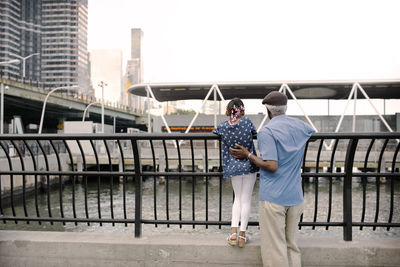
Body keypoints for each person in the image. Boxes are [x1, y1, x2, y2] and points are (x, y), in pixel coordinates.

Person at [230, 91, 315, 266]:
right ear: (285, 108)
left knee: (274, 250)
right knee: (292, 245)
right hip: (295, 197)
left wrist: (248, 155)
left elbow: (271, 165)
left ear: (268, 111)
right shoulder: (301, 126)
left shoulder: (267, 132)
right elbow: (311, 134)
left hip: (273, 199)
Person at [212, 97, 259, 248]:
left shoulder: (223, 127)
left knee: (237, 199)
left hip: (233, 167)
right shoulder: (247, 122)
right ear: (242, 110)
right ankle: (242, 235)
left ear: (228, 111)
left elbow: (215, 132)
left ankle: (233, 234)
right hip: (249, 164)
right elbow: (254, 132)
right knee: (246, 200)